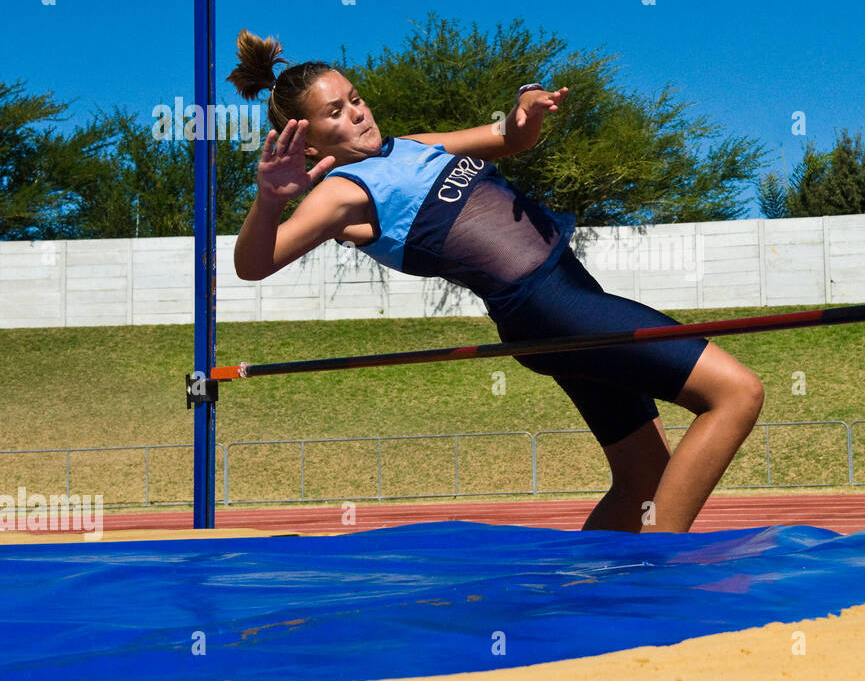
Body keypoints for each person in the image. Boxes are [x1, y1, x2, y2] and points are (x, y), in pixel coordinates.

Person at [225, 30, 763, 533]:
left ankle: (594, 595)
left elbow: (508, 138)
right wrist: (270, 200)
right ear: (311, 143)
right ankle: (659, 581)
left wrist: (525, 106)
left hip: (571, 295)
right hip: (549, 309)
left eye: (356, 98)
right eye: (335, 113)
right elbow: (254, 264)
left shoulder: (410, 146)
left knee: (642, 474)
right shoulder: (342, 192)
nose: (358, 114)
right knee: (735, 393)